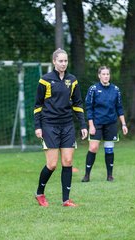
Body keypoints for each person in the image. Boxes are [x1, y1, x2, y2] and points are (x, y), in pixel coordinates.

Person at [33, 48, 88, 207]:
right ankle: (39, 193)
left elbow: (77, 104)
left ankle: (66, 200)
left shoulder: (73, 80)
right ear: (54, 62)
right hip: (49, 125)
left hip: (67, 125)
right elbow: (38, 105)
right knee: (52, 164)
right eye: (60, 61)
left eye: (65, 61)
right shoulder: (45, 80)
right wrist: (38, 126)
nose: (63, 64)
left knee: (68, 161)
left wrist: (83, 124)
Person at [81, 66, 128, 182]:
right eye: (103, 74)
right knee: (93, 147)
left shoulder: (115, 89)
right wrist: (91, 125)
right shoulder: (93, 89)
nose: (106, 76)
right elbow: (89, 108)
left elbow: (119, 108)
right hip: (97, 123)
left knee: (109, 148)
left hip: (111, 123)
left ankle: (110, 175)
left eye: (107, 74)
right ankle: (87, 175)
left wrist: (123, 124)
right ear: (99, 75)